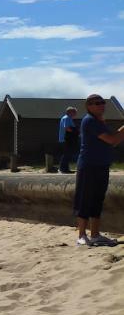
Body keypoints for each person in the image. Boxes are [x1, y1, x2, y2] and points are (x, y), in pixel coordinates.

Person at [74, 93, 124, 246]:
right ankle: (82, 235)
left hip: (101, 165)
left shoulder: (98, 121)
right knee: (85, 200)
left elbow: (112, 139)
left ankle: (95, 234)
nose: (101, 105)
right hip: (89, 166)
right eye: (97, 103)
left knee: (97, 200)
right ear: (89, 106)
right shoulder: (90, 121)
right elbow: (113, 140)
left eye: (102, 102)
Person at [58, 106, 79, 174]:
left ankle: (65, 168)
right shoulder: (67, 118)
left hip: (67, 139)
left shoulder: (68, 118)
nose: (75, 114)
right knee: (67, 154)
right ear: (70, 112)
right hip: (66, 139)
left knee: (67, 153)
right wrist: (75, 131)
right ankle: (63, 169)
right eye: (74, 112)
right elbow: (67, 128)